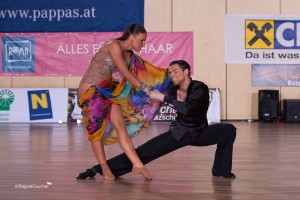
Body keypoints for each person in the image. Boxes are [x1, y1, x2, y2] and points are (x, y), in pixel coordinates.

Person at [76, 60, 237, 180]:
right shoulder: (172, 89)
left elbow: (188, 108)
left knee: (228, 130)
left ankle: (221, 170)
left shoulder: (199, 88)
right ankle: (97, 169)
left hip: (200, 132)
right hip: (179, 133)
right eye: (170, 72)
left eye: (175, 71)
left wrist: (163, 97)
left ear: (187, 71)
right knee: (142, 154)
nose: (172, 75)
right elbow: (150, 90)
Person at [77, 24, 171, 181]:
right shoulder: (114, 45)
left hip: (108, 92)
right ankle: (105, 169)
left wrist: (169, 78)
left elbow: (148, 71)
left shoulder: (130, 55)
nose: (143, 44)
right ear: (131, 37)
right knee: (96, 132)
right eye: (141, 40)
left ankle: (137, 164)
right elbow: (125, 73)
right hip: (91, 90)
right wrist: (146, 90)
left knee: (121, 126)